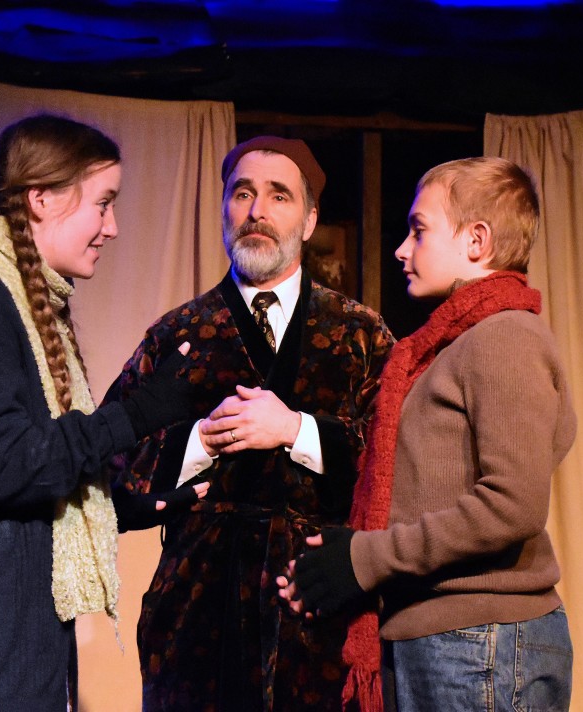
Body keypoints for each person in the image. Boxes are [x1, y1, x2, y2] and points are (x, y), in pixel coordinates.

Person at [0, 114, 206, 712]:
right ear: (42, 198)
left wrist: (121, 507)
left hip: (0, 660)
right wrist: (134, 414)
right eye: (102, 204)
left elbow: (18, 485)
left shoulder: (20, 298)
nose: (113, 226)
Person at [102, 136, 394, 710]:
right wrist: (202, 441)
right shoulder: (180, 334)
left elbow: (398, 465)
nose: (257, 210)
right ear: (224, 211)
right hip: (196, 611)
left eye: (279, 196)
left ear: (309, 220)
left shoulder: (360, 335)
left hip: (316, 607)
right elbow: (110, 468)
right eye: (242, 193)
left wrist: (297, 431)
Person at [280, 156, 577, 712]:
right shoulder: (452, 348)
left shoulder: (506, 336)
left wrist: (366, 558)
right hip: (449, 639)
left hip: (479, 639)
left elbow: (512, 505)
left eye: (419, 231)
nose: (401, 249)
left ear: (477, 240)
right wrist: (339, 568)